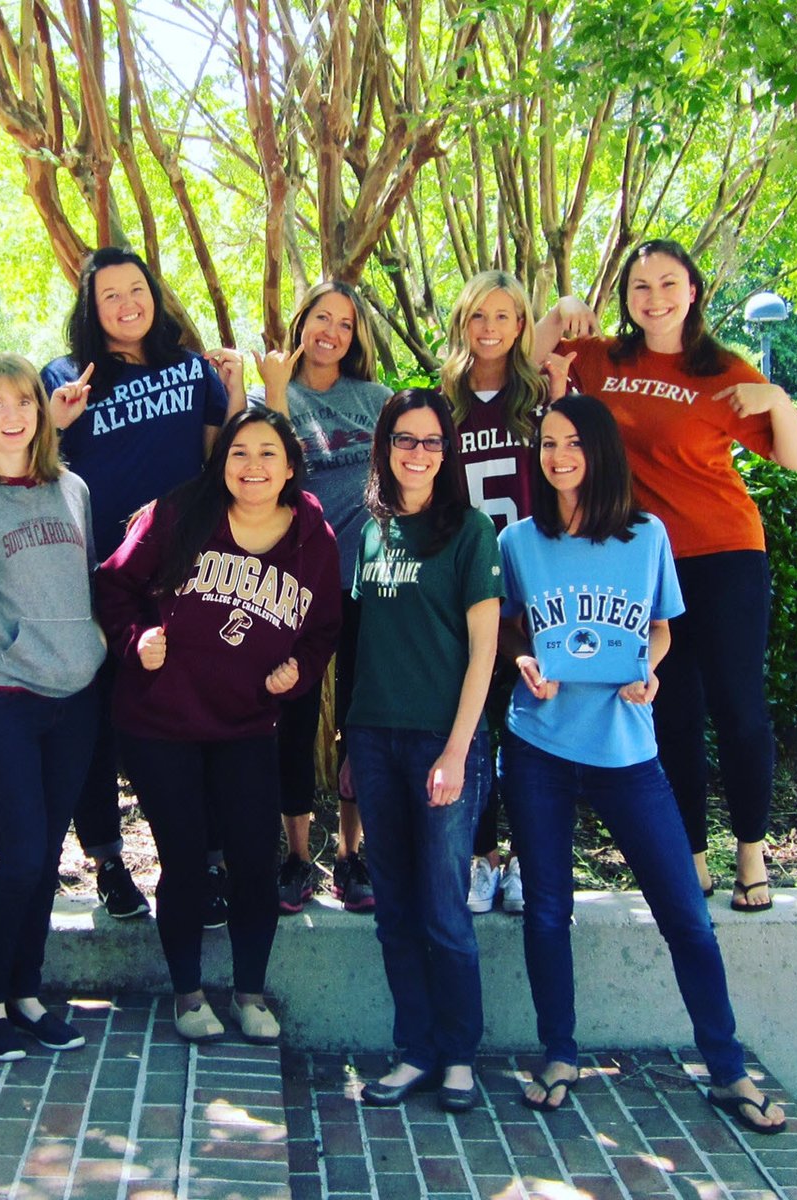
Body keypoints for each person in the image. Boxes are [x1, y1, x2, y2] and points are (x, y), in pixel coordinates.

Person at [498, 393, 785, 1133]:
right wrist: (527, 660)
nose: (558, 456)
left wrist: (650, 673)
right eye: (548, 443)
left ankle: (725, 1066)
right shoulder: (519, 542)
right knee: (548, 913)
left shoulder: (647, 535)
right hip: (538, 746)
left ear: (600, 451)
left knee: (686, 916)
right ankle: (558, 1053)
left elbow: (658, 631)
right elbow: (509, 634)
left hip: (628, 751)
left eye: (572, 443)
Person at [535, 241, 797, 910]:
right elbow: (536, 356)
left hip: (724, 553)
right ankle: (691, 857)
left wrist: (773, 396)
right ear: (626, 298)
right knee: (668, 709)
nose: (653, 297)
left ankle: (750, 853)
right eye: (638, 286)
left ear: (693, 290)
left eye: (667, 283)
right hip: (643, 565)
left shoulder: (722, 371)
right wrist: (565, 305)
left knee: (740, 710)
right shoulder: (605, 359)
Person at [96, 409, 340, 1043]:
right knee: (184, 859)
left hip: (246, 723)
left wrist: (300, 667)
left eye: (267, 453)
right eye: (238, 453)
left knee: (254, 861)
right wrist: (135, 637)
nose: (252, 466)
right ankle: (187, 993)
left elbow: (322, 629)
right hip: (160, 720)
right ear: (220, 462)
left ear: (291, 466)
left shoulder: (313, 538)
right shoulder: (179, 514)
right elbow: (113, 586)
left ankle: (250, 991)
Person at [41, 247, 244, 921]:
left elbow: (225, 463)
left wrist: (238, 392)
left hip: (185, 576)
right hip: (99, 580)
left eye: (138, 289)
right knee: (97, 724)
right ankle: (106, 860)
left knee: (189, 719)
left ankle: (203, 863)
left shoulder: (191, 371)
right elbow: (26, 465)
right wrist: (54, 422)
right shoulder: (66, 377)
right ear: (90, 309)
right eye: (110, 295)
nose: (127, 303)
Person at [0, 353, 103, 1060]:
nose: (11, 416)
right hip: (2, 694)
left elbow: (84, 583)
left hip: (75, 696)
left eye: (23, 402)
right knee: (22, 853)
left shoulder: (73, 490)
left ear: (40, 411)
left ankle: (27, 991)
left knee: (49, 851)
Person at [347, 389, 503, 1114]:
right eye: (405, 440)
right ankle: (416, 1049)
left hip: (445, 746)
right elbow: (362, 647)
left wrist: (457, 749)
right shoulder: (372, 531)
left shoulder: (470, 532)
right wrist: (350, 741)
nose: (418, 453)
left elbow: (484, 653)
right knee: (393, 910)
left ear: (448, 451)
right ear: (385, 447)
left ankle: (460, 1054)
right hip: (375, 742)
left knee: (444, 909)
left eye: (432, 442)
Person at [251, 280, 392, 914]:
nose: (331, 331)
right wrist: (275, 393)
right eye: (320, 317)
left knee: (356, 726)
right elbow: (263, 474)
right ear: (302, 321)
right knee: (295, 718)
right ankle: (296, 856)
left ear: (357, 335)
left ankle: (351, 855)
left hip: (367, 583)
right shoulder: (272, 395)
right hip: (295, 584)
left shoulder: (378, 400)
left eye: (345, 322)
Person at [439, 270, 551, 917]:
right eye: (479, 315)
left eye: (504, 316)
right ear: (463, 321)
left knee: (530, 728)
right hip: (468, 591)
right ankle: (481, 859)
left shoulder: (537, 398)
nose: (490, 329)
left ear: (520, 325)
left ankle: (527, 859)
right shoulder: (444, 401)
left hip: (531, 592)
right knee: (474, 728)